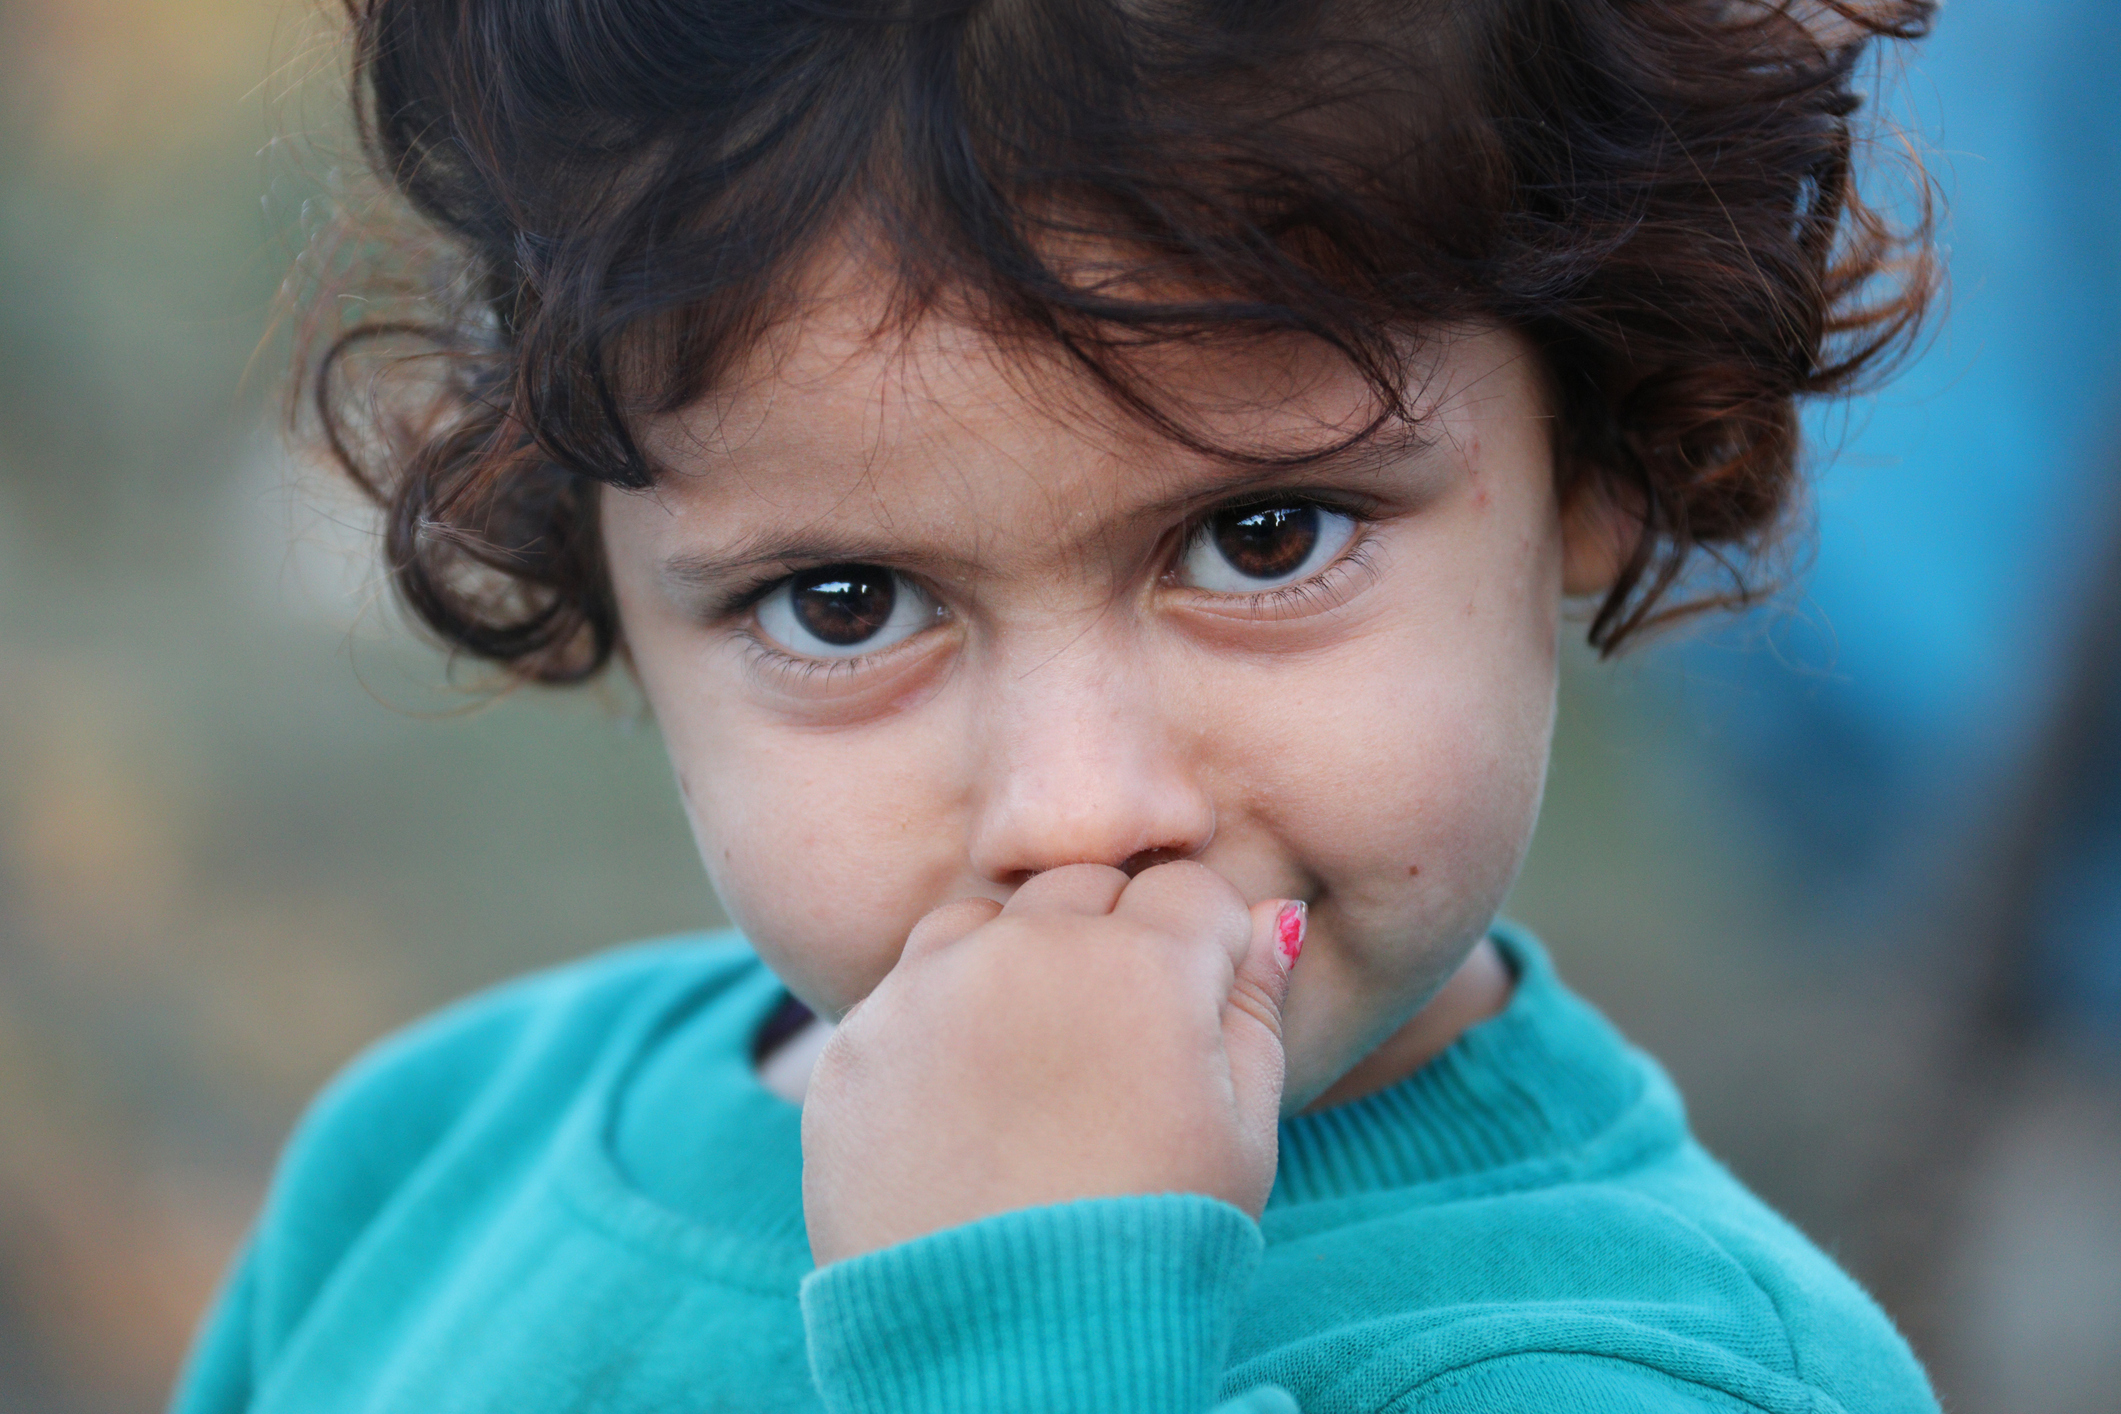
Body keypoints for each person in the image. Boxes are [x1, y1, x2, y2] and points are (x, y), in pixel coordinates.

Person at [171, 1, 1943, 1410]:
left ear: (1594, 448)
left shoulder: (1644, 1367)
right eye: (843, 600)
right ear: (609, 580)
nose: (1078, 807)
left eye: (1260, 537)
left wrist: (1026, 1339)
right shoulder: (432, 1159)